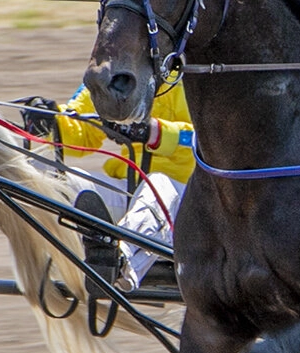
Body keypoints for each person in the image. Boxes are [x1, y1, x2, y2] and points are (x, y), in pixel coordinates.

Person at [25, 81, 197, 290]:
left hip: (193, 202)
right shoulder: (118, 71)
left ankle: (118, 264)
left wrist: (157, 133)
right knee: (36, 174)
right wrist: (51, 122)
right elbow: (84, 131)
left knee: (159, 185)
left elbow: (220, 137)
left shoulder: (210, 69)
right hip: (130, 191)